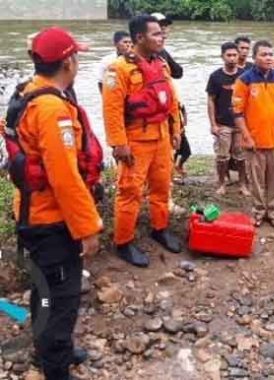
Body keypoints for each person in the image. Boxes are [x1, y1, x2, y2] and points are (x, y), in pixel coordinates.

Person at [1, 27, 103, 380]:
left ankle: (47, 347)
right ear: (68, 62)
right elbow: (65, 177)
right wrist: (88, 229)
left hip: (31, 210)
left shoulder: (28, 91)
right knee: (62, 296)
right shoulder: (51, 109)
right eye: (75, 56)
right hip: (50, 219)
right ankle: (55, 367)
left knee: (44, 287)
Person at [102, 15, 183, 267]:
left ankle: (160, 228)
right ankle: (123, 241)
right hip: (135, 138)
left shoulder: (161, 64)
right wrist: (118, 143)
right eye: (157, 34)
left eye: (162, 33)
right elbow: (111, 110)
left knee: (162, 186)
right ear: (139, 38)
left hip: (161, 136)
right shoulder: (118, 69)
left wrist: (176, 129)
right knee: (130, 191)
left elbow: (171, 99)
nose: (163, 37)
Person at [233, 40, 274, 228]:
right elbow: (237, 112)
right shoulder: (244, 80)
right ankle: (258, 211)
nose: (268, 58)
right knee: (257, 180)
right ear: (254, 57)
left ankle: (273, 211)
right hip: (254, 141)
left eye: (270, 54)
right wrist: (246, 136)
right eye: (263, 54)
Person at [150, 12, 191, 177]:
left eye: (165, 26)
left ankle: (169, 178)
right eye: (160, 26)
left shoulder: (163, 52)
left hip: (170, 104)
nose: (164, 29)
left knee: (180, 146)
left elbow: (178, 72)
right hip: (154, 110)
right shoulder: (143, 55)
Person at [207, 42, 250, 196]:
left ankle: (243, 184)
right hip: (223, 123)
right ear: (222, 57)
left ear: (239, 56)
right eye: (229, 55)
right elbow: (211, 100)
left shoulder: (245, 75)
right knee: (222, 156)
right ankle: (221, 183)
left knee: (241, 155)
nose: (232, 58)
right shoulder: (215, 76)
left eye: (234, 55)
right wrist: (213, 124)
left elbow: (250, 99)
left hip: (241, 123)